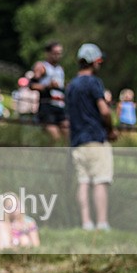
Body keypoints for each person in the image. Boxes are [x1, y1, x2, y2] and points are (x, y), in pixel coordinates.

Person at [65, 43, 117, 231]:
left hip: (77, 140)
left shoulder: (71, 86)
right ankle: (102, 223)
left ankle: (86, 222)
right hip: (95, 137)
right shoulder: (93, 83)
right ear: (94, 62)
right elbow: (104, 111)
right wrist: (110, 129)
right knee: (100, 181)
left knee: (83, 182)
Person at [30, 41, 67, 142]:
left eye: (59, 53)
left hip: (60, 106)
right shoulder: (42, 67)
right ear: (48, 53)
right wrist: (48, 87)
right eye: (55, 53)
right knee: (56, 138)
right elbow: (32, 85)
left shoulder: (60, 69)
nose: (58, 56)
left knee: (68, 137)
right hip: (47, 106)